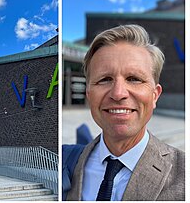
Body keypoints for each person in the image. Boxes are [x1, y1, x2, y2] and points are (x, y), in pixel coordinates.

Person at [65, 24, 185, 201]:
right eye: (105, 79)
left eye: (134, 79)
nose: (118, 93)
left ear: (155, 96)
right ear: (89, 95)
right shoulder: (66, 164)